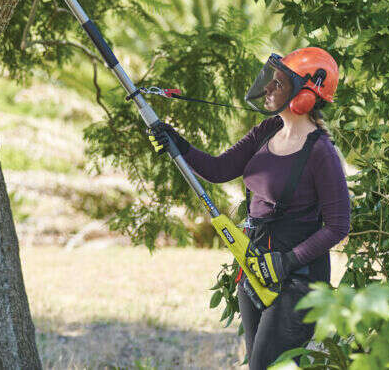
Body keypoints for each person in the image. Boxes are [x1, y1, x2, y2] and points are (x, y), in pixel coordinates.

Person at [150, 47, 351, 370]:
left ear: (306, 96)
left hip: (297, 280)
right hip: (254, 267)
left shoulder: (321, 153)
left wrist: (288, 261)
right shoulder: (267, 130)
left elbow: (338, 226)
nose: (269, 89)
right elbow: (218, 169)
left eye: (279, 83)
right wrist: (177, 142)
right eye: (270, 81)